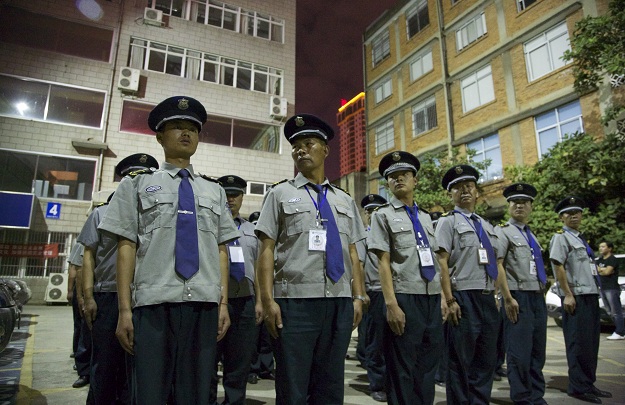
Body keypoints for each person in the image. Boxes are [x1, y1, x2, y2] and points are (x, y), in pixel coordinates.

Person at [98, 96, 239, 404]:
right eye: (177, 126)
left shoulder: (214, 190)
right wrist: (125, 310)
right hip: (153, 305)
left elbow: (221, 250)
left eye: (193, 128)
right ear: (160, 137)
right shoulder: (136, 185)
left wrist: (223, 304)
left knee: (197, 394)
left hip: (203, 304)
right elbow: (126, 247)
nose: (186, 133)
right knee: (150, 393)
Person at [254, 113, 366, 404]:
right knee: (293, 387)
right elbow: (266, 249)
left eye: (308, 144)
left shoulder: (344, 199)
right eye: (296, 146)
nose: (301, 150)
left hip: (339, 302)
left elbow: (353, 251)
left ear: (325, 149)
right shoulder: (280, 194)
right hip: (295, 304)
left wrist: (358, 296)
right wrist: (267, 300)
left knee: (330, 387)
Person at [78, 153, 158, 404]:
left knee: (137, 366)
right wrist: (88, 296)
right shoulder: (101, 214)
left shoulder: (156, 214)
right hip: (109, 296)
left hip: (145, 297)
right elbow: (88, 257)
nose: (136, 181)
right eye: (131, 177)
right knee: (105, 362)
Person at [368, 151, 443, 405]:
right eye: (393, 176)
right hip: (404, 298)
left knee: (427, 367)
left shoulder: (426, 217)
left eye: (404, 175)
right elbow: (383, 262)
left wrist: (443, 298)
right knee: (402, 369)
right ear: (387, 183)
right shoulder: (382, 215)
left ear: (415, 180)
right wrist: (391, 304)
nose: (398, 179)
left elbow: (435, 260)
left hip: (431, 297)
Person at [434, 164, 503, 404]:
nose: (464, 191)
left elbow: (495, 263)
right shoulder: (448, 222)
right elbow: (441, 262)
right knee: (460, 362)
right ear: (450, 194)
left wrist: (496, 294)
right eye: (458, 187)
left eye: (469, 186)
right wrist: (448, 299)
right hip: (462, 297)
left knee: (486, 360)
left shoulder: (486, 225)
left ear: (476, 192)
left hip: (486, 297)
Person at [549, 196, 612, 404]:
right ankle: (578, 387)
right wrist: (567, 294)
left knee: (590, 344)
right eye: (569, 213)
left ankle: (588, 383)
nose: (574, 215)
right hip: (576, 297)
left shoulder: (580, 239)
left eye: (577, 212)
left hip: (590, 295)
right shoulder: (561, 238)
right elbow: (558, 266)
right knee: (578, 344)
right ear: (561, 217)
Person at [495, 183, 548, 404]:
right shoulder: (503, 232)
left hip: (537, 297)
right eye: (515, 202)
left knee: (537, 351)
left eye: (524, 202)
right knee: (519, 353)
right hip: (518, 296)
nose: (519, 206)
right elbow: (498, 264)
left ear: (531, 207)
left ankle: (537, 396)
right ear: (508, 206)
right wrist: (507, 298)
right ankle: (522, 397)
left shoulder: (531, 235)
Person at [210, 175, 261, 405]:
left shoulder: (252, 229)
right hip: (215, 301)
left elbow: (257, 267)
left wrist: (259, 301)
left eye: (235, 195)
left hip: (244, 301)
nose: (231, 199)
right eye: (227, 194)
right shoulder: (210, 224)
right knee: (208, 361)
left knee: (239, 363)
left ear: (242, 197)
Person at [357, 193, 387, 402]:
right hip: (374, 292)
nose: (372, 214)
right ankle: (377, 383)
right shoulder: (363, 237)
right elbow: (358, 265)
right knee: (375, 341)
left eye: (376, 210)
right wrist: (361, 293)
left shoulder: (389, 233)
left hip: (395, 291)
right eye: (369, 211)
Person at [68, 242, 91, 389]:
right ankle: (84, 371)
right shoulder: (82, 244)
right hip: (84, 290)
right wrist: (78, 296)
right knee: (83, 330)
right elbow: (76, 270)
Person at [597, 241, 624, 340]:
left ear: (609, 248)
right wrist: (602, 270)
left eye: (603, 246)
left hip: (611, 288)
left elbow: (607, 272)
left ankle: (620, 332)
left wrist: (602, 270)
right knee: (609, 311)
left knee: (616, 311)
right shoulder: (599, 259)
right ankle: (619, 330)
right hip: (602, 288)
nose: (601, 248)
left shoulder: (612, 259)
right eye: (600, 246)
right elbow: (595, 271)